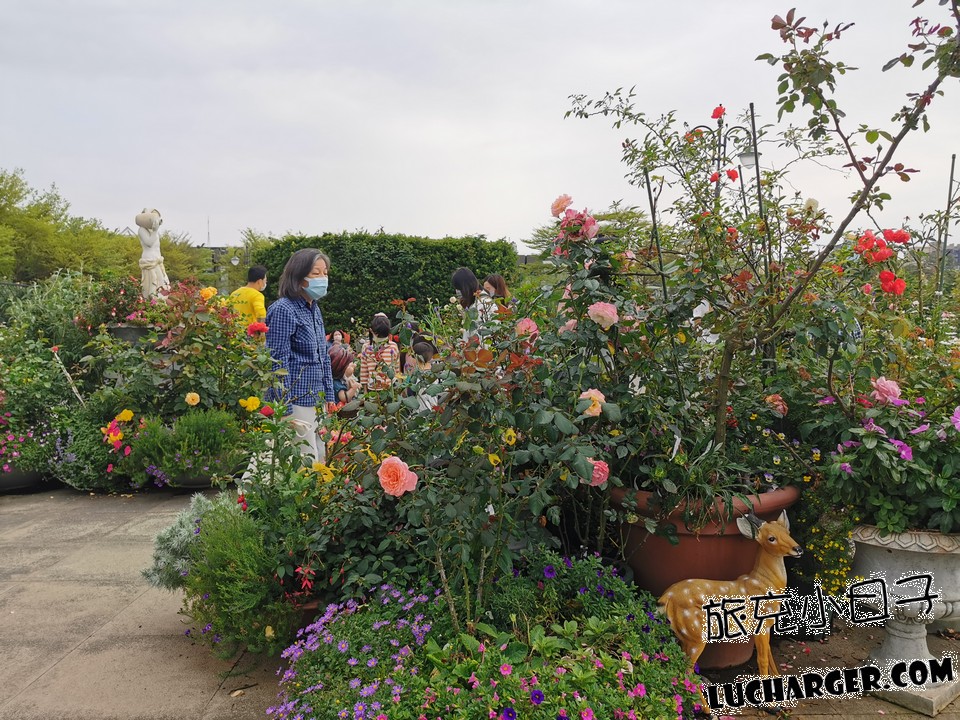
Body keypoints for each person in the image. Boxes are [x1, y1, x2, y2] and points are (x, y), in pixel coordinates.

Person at [264, 248, 336, 464]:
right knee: (304, 462)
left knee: (320, 459)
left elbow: (323, 357)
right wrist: (284, 409)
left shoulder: (314, 308)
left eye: (325, 273)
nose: (322, 278)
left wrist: (329, 397)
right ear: (298, 276)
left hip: (316, 398)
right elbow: (277, 362)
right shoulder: (284, 310)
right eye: (316, 273)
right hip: (296, 401)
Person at [134, 208, 170, 300]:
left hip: (157, 260)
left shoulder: (153, 230)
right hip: (149, 260)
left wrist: (154, 231)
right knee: (152, 283)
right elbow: (149, 243)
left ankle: (160, 302)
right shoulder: (142, 230)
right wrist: (155, 231)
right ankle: (152, 302)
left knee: (162, 283)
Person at [359, 313, 401, 389]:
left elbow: (397, 369)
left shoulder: (393, 346)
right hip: (373, 389)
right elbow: (364, 370)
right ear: (371, 331)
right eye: (378, 335)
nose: (381, 338)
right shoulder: (366, 347)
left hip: (390, 388)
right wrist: (365, 391)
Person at [452, 267, 495, 340]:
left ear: (465, 287)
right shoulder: (479, 302)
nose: (457, 292)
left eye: (459, 288)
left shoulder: (481, 305)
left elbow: (482, 338)